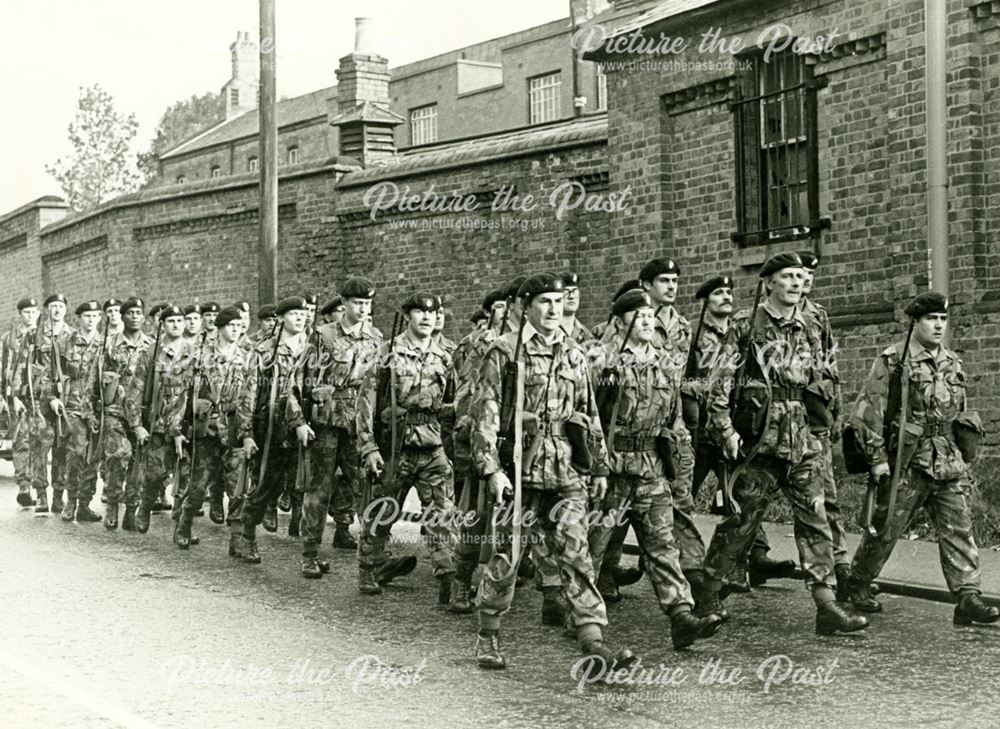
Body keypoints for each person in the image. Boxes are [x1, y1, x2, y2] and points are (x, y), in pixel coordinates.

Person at [472, 272, 636, 671]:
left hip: (565, 471)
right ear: (524, 306)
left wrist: (598, 465)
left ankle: (594, 641)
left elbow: (588, 413)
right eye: (544, 302)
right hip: (518, 471)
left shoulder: (574, 354)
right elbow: (486, 413)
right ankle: (488, 635)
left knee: (578, 556)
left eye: (558, 301)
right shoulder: (504, 351)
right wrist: (492, 469)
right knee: (508, 559)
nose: (552, 309)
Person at [698, 253, 868, 636]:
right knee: (743, 520)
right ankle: (707, 594)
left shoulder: (811, 324)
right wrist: (726, 431)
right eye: (786, 277)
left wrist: (829, 420)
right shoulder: (746, 323)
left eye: (798, 276)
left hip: (804, 437)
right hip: (760, 440)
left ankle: (826, 604)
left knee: (815, 516)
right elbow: (720, 381)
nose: (794, 282)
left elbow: (827, 374)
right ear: (769, 282)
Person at [844, 291, 999, 626]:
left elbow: (957, 413)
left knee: (958, 528)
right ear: (915, 322)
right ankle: (856, 583)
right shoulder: (893, 361)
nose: (939, 325)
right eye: (931, 319)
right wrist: (877, 460)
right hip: (906, 460)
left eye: (943, 319)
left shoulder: (952, 361)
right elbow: (867, 412)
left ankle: (967, 596)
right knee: (886, 529)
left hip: (946, 459)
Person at [588, 288, 723, 649]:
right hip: (612, 468)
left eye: (651, 317)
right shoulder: (604, 362)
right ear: (621, 322)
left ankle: (681, 615)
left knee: (663, 546)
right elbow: (589, 416)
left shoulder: (666, 364)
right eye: (639, 317)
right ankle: (581, 615)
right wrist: (594, 466)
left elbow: (675, 422)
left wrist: (679, 471)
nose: (647, 322)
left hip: (651, 468)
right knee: (594, 546)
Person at [356, 293, 458, 600]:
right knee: (383, 511)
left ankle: (447, 575)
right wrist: (369, 448)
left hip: (431, 445)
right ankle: (369, 567)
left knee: (442, 513)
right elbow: (365, 403)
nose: (427, 317)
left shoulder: (443, 358)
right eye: (419, 312)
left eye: (433, 312)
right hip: (395, 446)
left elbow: (450, 404)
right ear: (408, 315)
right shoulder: (387, 353)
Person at [234, 296, 310, 564]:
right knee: (268, 485)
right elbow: (248, 394)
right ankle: (247, 534)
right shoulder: (265, 351)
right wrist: (246, 434)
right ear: (281, 319)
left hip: (306, 428)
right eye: (294, 314)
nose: (300, 318)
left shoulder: (313, 349)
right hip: (272, 431)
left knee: (307, 486)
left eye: (303, 314)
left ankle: (310, 553)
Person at [175, 306, 257, 551]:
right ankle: (184, 526)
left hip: (234, 429)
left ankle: (237, 538)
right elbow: (182, 392)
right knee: (199, 486)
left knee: (238, 487)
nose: (236, 329)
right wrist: (177, 428)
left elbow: (249, 397)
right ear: (220, 328)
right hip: (206, 430)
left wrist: (247, 433)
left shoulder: (247, 356)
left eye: (239, 325)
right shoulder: (200, 356)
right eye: (231, 325)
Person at [131, 305, 192, 533]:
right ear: (163, 325)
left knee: (186, 476)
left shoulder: (194, 352)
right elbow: (135, 390)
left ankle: (181, 527)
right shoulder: (151, 353)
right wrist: (137, 425)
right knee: (155, 474)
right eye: (171, 321)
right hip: (158, 425)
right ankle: (145, 506)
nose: (176, 325)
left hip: (185, 426)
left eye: (179, 320)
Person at [42, 300, 103, 522]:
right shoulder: (65, 343)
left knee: (93, 458)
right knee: (75, 455)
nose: (91, 319)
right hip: (73, 408)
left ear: (100, 318)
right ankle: (71, 502)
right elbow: (51, 376)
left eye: (95, 316)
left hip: (97, 409)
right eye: (87, 316)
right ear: (79, 318)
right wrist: (53, 399)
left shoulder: (105, 345)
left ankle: (85, 504)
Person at [101, 298, 154, 530]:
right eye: (129, 312)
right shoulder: (110, 345)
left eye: (138, 312)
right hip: (116, 411)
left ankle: (131, 508)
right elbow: (99, 379)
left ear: (143, 317)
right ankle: (112, 504)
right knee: (118, 456)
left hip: (142, 413)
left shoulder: (152, 346)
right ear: (122, 317)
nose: (134, 316)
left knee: (139, 463)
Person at [8, 297, 41, 507]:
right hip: (19, 398)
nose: (30, 316)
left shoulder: (45, 337)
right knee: (22, 441)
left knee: (41, 443)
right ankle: (24, 485)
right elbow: (5, 370)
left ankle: (43, 490)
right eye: (26, 312)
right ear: (20, 314)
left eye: (33, 312)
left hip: (42, 397)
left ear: (38, 313)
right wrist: (9, 397)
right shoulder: (9, 338)